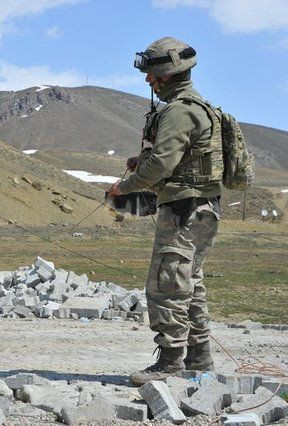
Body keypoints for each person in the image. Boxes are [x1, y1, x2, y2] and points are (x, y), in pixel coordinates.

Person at [108, 37, 222, 386]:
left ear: (166, 75)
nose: (147, 82)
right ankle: (200, 359)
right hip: (202, 208)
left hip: (184, 210)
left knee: (167, 285)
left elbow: (161, 164)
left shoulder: (178, 110)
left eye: (152, 74)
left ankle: (171, 362)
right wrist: (140, 161)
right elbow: (176, 157)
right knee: (191, 285)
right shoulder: (197, 107)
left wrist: (122, 188)